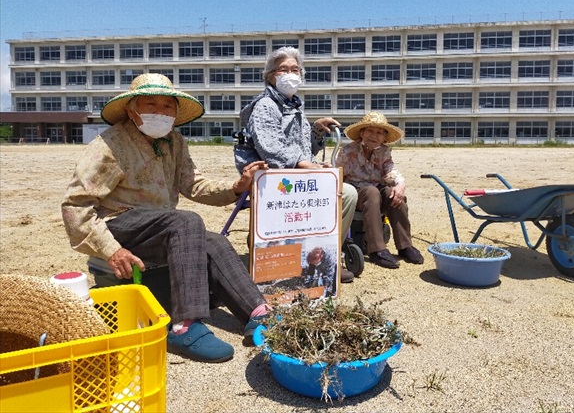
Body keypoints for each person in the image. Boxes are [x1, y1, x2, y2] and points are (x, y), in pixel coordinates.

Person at [61, 73, 271, 364]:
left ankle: (257, 312)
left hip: (159, 226)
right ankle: (183, 324)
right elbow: (77, 203)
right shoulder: (109, 145)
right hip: (118, 223)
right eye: (151, 105)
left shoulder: (174, 142)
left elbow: (194, 184)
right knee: (186, 221)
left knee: (213, 241)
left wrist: (237, 187)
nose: (160, 112)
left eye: (167, 106)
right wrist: (111, 249)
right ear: (132, 110)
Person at [234, 46, 357, 283]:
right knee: (346, 192)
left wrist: (317, 129)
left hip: (294, 171)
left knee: (346, 192)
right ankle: (297, 253)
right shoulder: (265, 106)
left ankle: (324, 252)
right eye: (284, 69)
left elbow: (305, 148)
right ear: (271, 76)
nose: (291, 74)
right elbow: (269, 147)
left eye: (295, 69)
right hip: (272, 172)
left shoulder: (295, 105)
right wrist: (303, 165)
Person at [336, 112, 424, 269]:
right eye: (370, 131)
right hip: (356, 194)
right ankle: (377, 250)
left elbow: (391, 171)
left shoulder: (384, 151)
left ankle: (405, 246)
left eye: (379, 132)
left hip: (376, 191)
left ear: (384, 137)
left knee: (395, 195)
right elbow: (337, 176)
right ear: (362, 133)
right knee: (372, 192)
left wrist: (400, 185)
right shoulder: (348, 151)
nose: (374, 136)